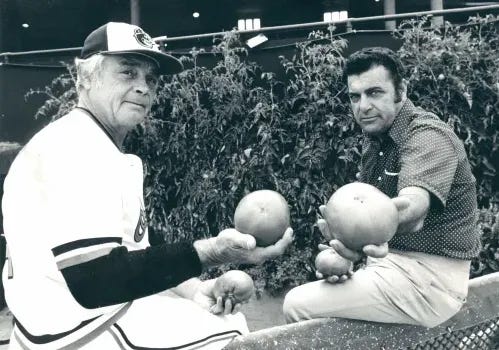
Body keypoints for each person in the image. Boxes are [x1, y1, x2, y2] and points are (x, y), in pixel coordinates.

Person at [2, 22, 293, 350]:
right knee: (233, 335)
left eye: (151, 79)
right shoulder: (73, 148)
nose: (144, 87)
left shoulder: (90, 142)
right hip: (72, 330)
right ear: (84, 78)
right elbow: (94, 280)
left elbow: (132, 251)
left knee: (215, 317)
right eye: (128, 72)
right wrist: (212, 251)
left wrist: (195, 289)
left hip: (59, 320)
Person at [283, 47, 481, 328]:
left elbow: (413, 207)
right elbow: (370, 223)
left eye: (374, 92)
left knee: (297, 305)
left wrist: (362, 234)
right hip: (390, 269)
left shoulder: (428, 135)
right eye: (355, 96)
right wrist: (347, 246)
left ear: (401, 90)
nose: (363, 106)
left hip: (429, 282)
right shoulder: (376, 140)